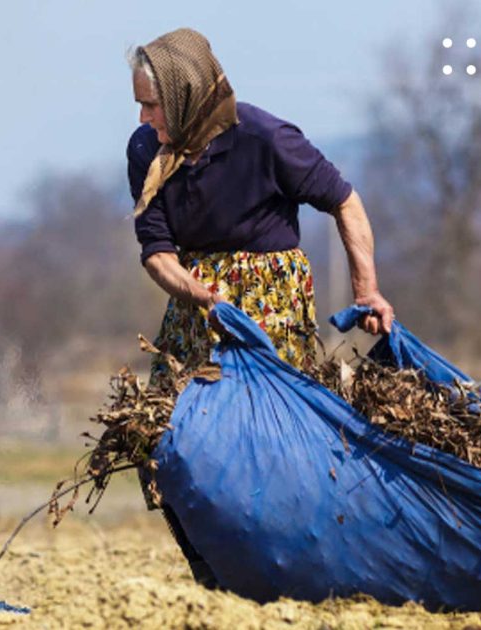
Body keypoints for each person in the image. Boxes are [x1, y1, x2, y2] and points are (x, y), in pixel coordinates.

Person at [126, 28, 395, 586]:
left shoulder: (265, 137)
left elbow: (344, 203)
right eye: (139, 105)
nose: (144, 117)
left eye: (152, 105)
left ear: (184, 95)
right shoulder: (145, 151)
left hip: (269, 297)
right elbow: (156, 251)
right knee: (156, 436)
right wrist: (196, 292)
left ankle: (288, 568)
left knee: (266, 445)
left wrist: (366, 290)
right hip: (196, 298)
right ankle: (209, 569)